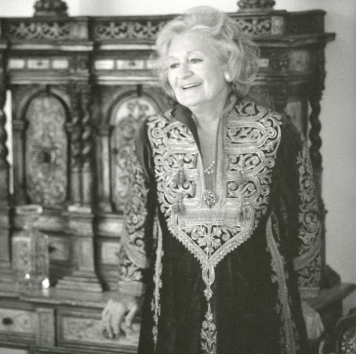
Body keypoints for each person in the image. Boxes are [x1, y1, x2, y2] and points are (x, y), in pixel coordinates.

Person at [102, 5, 323, 354]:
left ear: (229, 64)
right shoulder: (154, 134)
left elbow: (305, 218)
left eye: (195, 60)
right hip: (175, 310)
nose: (182, 73)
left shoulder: (276, 132)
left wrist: (308, 299)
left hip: (260, 312)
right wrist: (128, 290)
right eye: (173, 65)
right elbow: (136, 220)